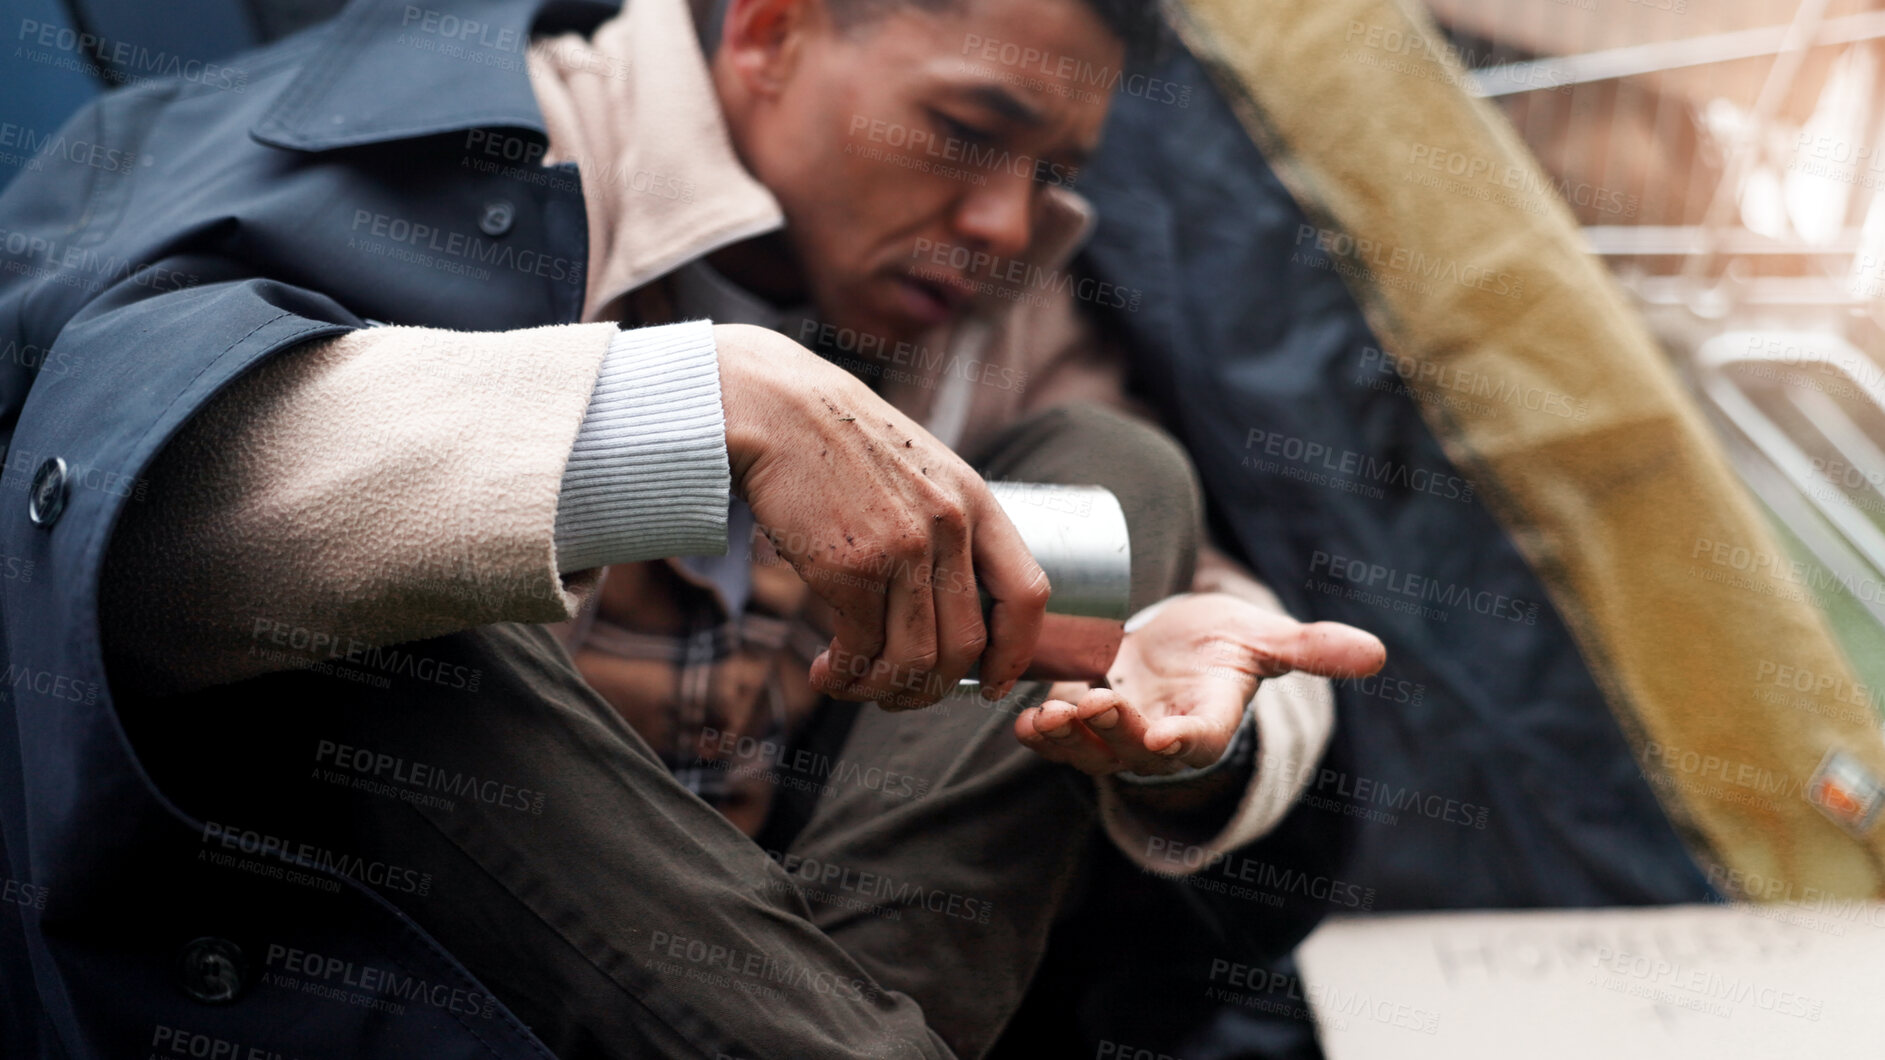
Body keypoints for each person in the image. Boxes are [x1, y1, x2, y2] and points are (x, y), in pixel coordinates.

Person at [0, 0, 1383, 1055]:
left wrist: (1201, 723)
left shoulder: (999, 306)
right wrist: (680, 407)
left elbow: (1199, 602)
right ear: (771, 34)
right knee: (381, 577)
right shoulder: (415, 171)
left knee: (1116, 473)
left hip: (789, 951)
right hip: (436, 974)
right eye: (967, 131)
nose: (1004, 220)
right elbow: (89, 501)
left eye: (1053, 168)